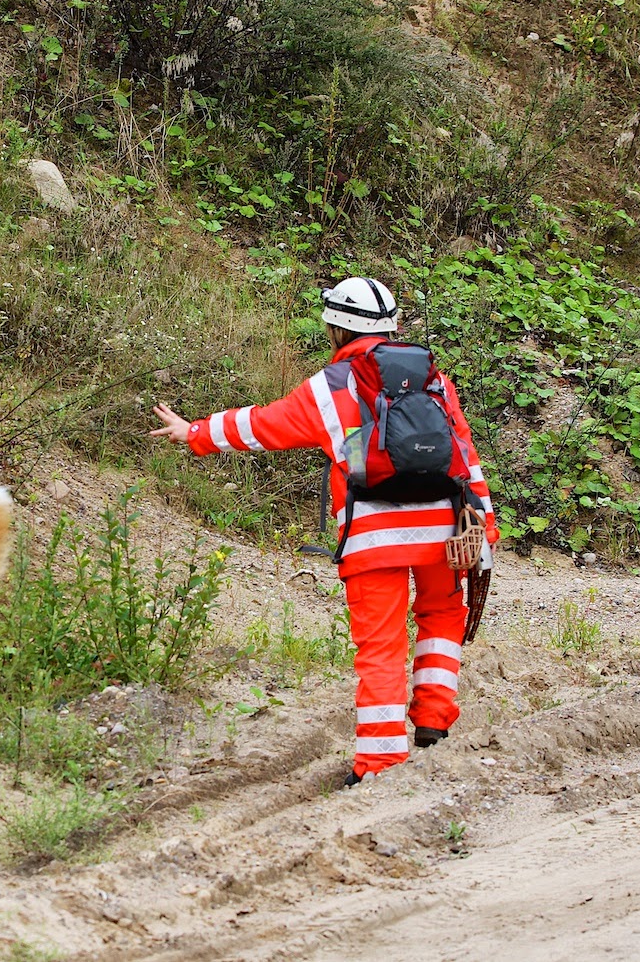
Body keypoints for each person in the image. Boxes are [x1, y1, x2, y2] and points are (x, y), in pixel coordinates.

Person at [150, 276, 498, 785]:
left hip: (372, 534)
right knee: (442, 615)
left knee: (380, 645)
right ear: (394, 324)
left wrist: (196, 432)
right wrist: (484, 525)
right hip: (444, 527)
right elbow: (464, 453)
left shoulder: (331, 386)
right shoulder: (434, 380)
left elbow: (261, 425)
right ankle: (433, 721)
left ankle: (380, 761)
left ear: (336, 327)